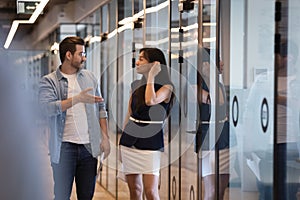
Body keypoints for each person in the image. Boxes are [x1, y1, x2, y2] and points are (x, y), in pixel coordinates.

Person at [39, 36, 110, 200]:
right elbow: (46, 109)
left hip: (88, 148)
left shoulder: (90, 78)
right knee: (62, 196)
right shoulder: (49, 81)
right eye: (81, 54)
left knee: (86, 196)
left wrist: (105, 137)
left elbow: (101, 108)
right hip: (64, 148)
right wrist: (77, 99)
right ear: (68, 55)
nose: (84, 57)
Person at [119, 47, 175, 200]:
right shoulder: (135, 85)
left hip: (151, 141)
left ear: (154, 64)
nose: (137, 62)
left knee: (150, 192)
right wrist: (121, 144)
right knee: (135, 190)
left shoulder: (167, 87)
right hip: (129, 140)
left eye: (142, 59)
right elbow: (129, 114)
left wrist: (151, 76)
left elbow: (150, 100)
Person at [196, 48, 236, 200]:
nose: (222, 63)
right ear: (205, 64)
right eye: (217, 60)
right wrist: (211, 76)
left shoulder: (217, 84)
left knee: (220, 191)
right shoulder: (195, 86)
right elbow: (217, 101)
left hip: (226, 137)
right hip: (208, 140)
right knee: (211, 191)